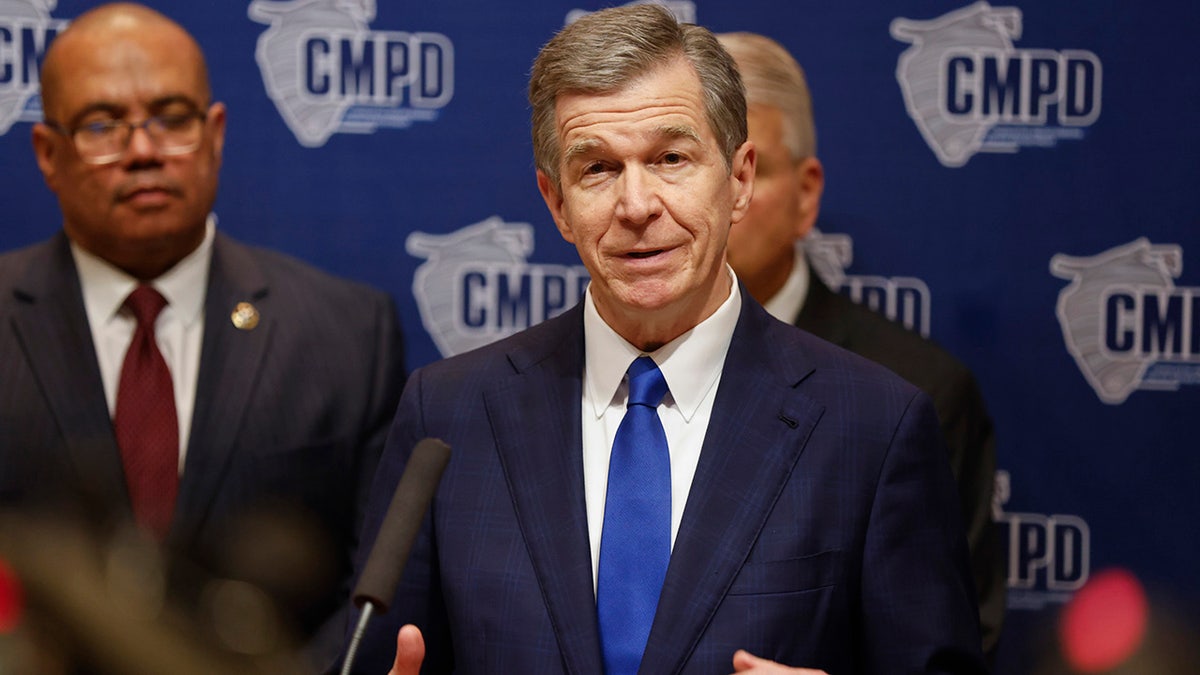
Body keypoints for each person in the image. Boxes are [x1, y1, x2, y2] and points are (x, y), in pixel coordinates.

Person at [349, 5, 985, 674]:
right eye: (597, 168)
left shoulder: (875, 427)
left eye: (671, 157)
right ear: (556, 202)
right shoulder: (449, 413)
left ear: (738, 179)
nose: (636, 205)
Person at [0, 1, 405, 651]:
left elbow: (371, 595)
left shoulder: (348, 336)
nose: (142, 150)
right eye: (103, 124)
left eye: (172, 118)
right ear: (48, 153)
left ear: (214, 134)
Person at [715, 32, 1005, 659]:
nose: (719, 199)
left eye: (749, 169)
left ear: (806, 193)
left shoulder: (915, 392)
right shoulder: (599, 376)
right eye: (688, 162)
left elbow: (955, 647)